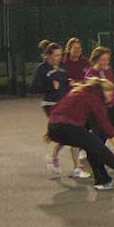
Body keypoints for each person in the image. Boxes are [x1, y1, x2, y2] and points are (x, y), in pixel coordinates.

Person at [47, 77, 114, 189]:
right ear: (100, 91)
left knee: (94, 147)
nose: (111, 93)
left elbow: (58, 113)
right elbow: (105, 125)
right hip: (67, 128)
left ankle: (103, 181)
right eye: (108, 91)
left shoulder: (79, 93)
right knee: (101, 149)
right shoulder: (93, 98)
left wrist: (52, 134)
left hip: (55, 128)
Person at [31, 40, 75, 178]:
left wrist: (70, 84)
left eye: (60, 55)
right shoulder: (41, 69)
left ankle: (53, 155)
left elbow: (65, 84)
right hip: (50, 104)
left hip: (64, 103)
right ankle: (55, 155)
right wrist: (50, 86)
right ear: (48, 56)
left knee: (69, 132)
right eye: (56, 55)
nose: (59, 58)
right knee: (65, 130)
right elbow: (34, 88)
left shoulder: (62, 67)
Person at [61, 37, 92, 176]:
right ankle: (56, 156)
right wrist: (68, 81)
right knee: (71, 128)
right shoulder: (63, 62)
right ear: (69, 49)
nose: (78, 51)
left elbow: (89, 76)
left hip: (82, 96)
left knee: (85, 123)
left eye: (79, 48)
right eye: (75, 48)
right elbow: (61, 77)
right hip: (68, 98)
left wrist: (84, 83)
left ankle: (81, 147)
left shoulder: (85, 62)